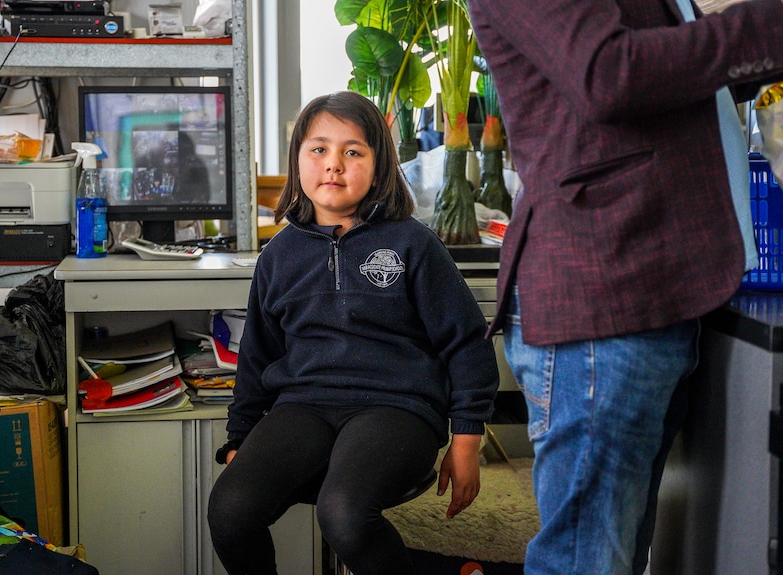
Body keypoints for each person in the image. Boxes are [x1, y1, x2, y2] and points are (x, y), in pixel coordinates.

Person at [467, 0, 783, 574]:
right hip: (605, 293)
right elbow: (608, 73)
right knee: (586, 561)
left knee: (611, 557)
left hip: (651, 284)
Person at [207, 90, 500, 575]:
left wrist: (466, 439)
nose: (334, 165)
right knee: (230, 509)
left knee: (342, 513)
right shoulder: (278, 256)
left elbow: (466, 342)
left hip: (397, 407)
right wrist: (240, 437)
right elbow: (257, 357)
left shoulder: (413, 244)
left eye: (353, 151)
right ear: (297, 160)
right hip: (302, 406)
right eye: (319, 149)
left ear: (379, 165)